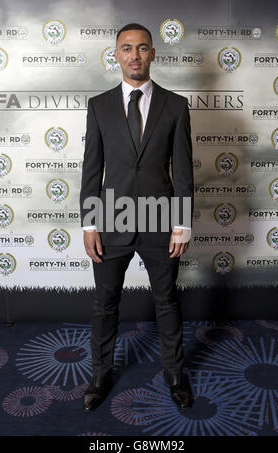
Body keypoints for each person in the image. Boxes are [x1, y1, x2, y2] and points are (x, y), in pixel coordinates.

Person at [79, 23, 194, 411]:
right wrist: (90, 223)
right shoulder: (99, 106)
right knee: (104, 302)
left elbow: (182, 171)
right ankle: (99, 373)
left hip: (161, 220)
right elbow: (91, 169)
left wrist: (182, 222)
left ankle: (175, 374)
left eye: (142, 48)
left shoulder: (176, 106)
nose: (134, 55)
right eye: (126, 48)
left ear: (152, 54)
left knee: (167, 300)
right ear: (116, 55)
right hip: (111, 221)